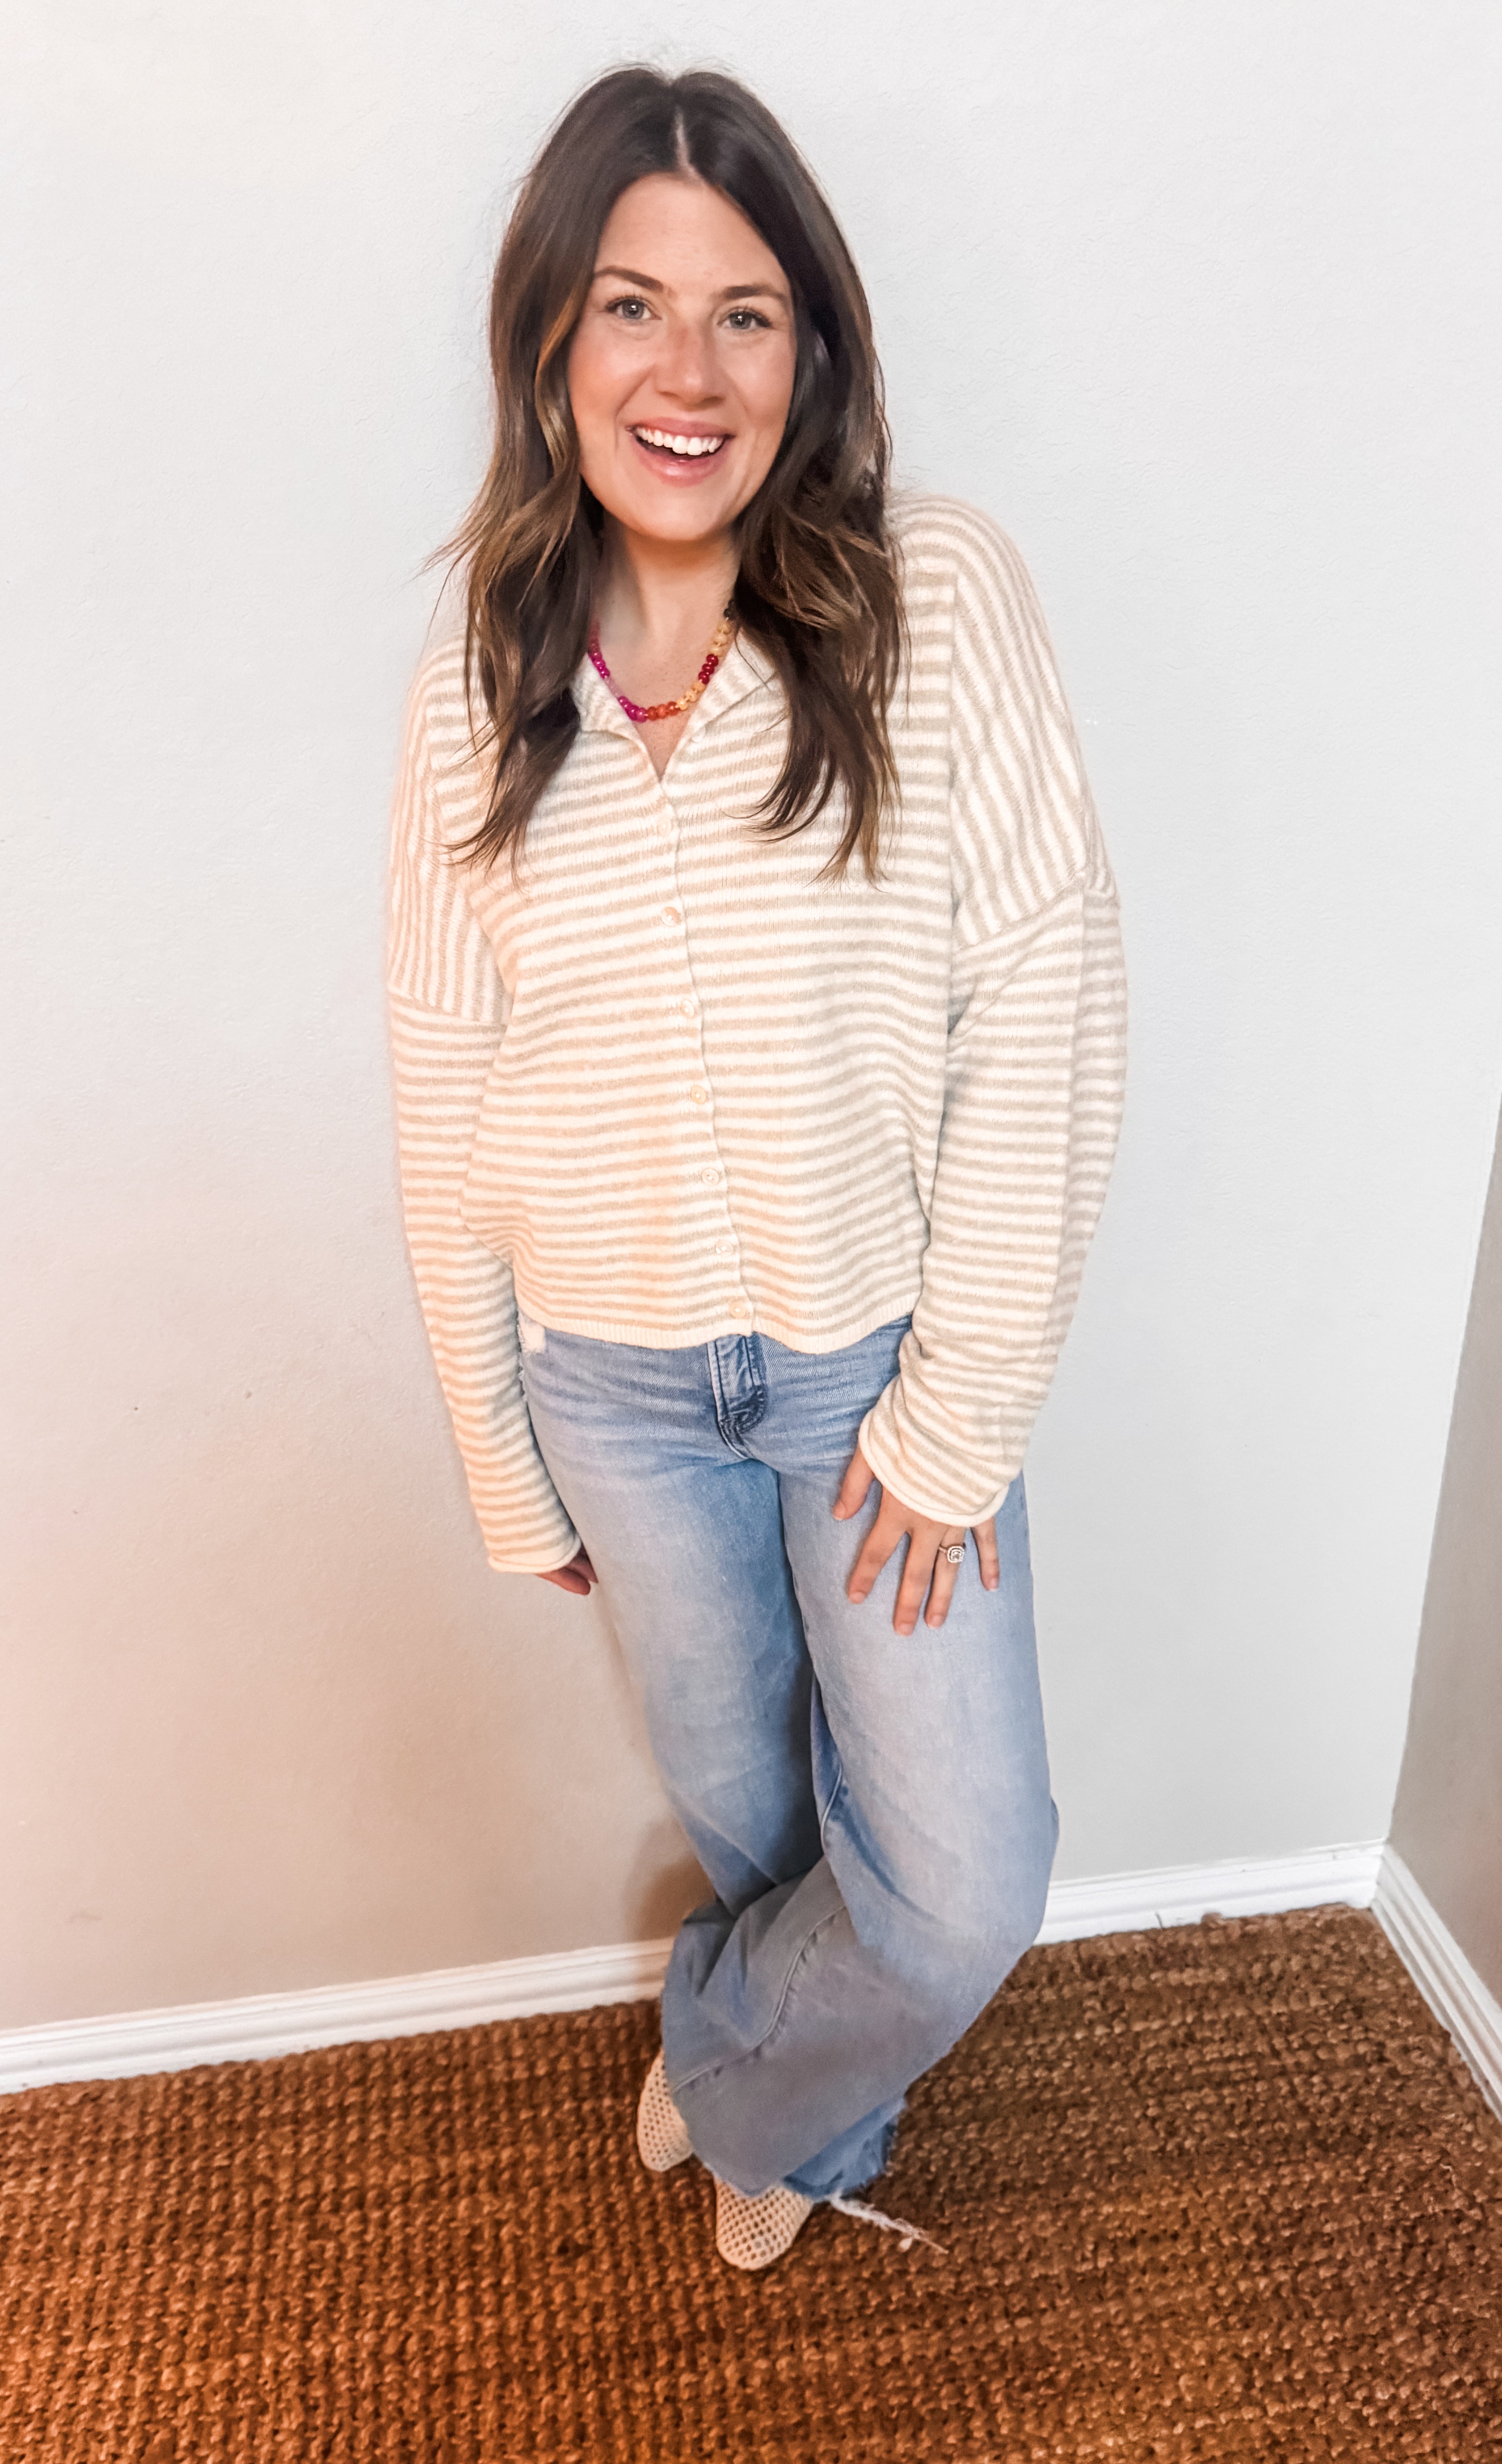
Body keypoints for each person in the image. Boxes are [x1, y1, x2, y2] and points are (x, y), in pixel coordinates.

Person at [388, 65, 1127, 2272]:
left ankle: (723, 2065)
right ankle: (807, 2117)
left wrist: (957, 1407)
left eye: (745, 314)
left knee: (958, 1874)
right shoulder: (482, 657)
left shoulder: (929, 595)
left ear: (813, 350)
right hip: (613, 1388)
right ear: (551, 341)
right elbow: (442, 1072)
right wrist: (500, 1451)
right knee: (754, 1824)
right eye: (630, 306)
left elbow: (1047, 998)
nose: (684, 372)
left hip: (872, 1365)